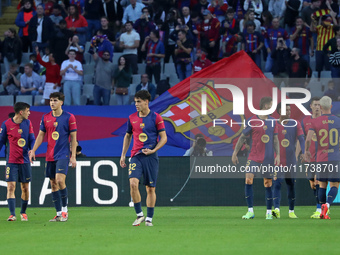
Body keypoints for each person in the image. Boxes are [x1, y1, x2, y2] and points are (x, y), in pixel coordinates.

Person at [120, 90, 167, 226]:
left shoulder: (156, 118)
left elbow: (164, 138)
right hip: (136, 156)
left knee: (150, 188)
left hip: (151, 157)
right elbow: (128, 136)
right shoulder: (132, 118)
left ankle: (149, 219)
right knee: (133, 183)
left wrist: (154, 150)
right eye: (135, 102)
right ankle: (139, 214)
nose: (136, 104)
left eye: (139, 101)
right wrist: (123, 154)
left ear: (146, 102)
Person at [29, 92, 77, 222]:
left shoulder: (69, 117)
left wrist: (73, 156)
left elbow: (73, 138)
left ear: (61, 102)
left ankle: (65, 211)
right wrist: (33, 150)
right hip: (50, 154)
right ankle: (58, 213)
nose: (52, 103)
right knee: (53, 183)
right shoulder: (45, 117)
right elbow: (40, 135)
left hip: (63, 154)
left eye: (55, 100)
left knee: (60, 180)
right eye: (50, 100)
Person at [232, 97, 280, 220]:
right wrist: (235, 153)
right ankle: (250, 211)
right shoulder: (252, 120)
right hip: (254, 156)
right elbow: (242, 137)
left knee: (268, 183)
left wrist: (278, 155)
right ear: (265, 105)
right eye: (270, 105)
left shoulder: (273, 121)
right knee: (248, 180)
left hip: (268, 157)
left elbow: (275, 139)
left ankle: (269, 212)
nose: (272, 107)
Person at [304, 96, 340, 219]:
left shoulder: (315, 122)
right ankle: (327, 206)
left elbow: (308, 139)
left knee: (322, 185)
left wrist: (307, 151)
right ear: (331, 106)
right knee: (334, 185)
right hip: (335, 158)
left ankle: (321, 210)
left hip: (321, 158)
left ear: (320, 107)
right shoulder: (338, 121)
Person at [0, 102, 35, 221]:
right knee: (11, 187)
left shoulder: (28, 123)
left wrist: (32, 150)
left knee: (25, 188)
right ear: (21, 112)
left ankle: (23, 212)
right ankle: (12, 214)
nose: (29, 113)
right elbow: (1, 141)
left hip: (24, 161)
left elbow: (31, 139)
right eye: (27, 111)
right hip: (11, 161)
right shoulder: (6, 124)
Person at [271, 103, 305, 219]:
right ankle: (277, 210)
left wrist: (302, 152)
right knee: (277, 183)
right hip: (278, 160)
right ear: (280, 111)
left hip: (291, 161)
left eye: (290, 109)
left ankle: (291, 211)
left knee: (291, 185)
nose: (289, 112)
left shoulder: (296, 123)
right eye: (287, 110)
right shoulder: (273, 123)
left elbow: (301, 139)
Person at [300, 97, 322, 218]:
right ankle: (322, 206)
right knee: (313, 184)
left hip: (322, 157)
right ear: (311, 107)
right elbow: (301, 138)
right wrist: (302, 153)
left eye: (319, 105)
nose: (317, 107)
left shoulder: (326, 120)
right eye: (315, 105)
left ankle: (320, 208)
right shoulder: (305, 121)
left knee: (318, 181)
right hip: (310, 158)